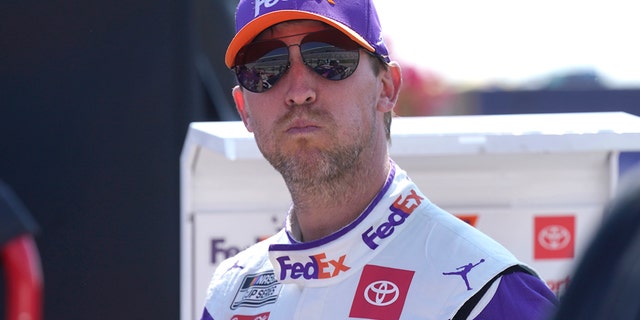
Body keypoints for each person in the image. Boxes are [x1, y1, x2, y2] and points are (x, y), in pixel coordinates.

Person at [201, 0, 558, 319]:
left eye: (329, 59)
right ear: (244, 109)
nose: (298, 92)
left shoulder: (484, 290)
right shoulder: (229, 296)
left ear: (386, 88)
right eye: (264, 67)